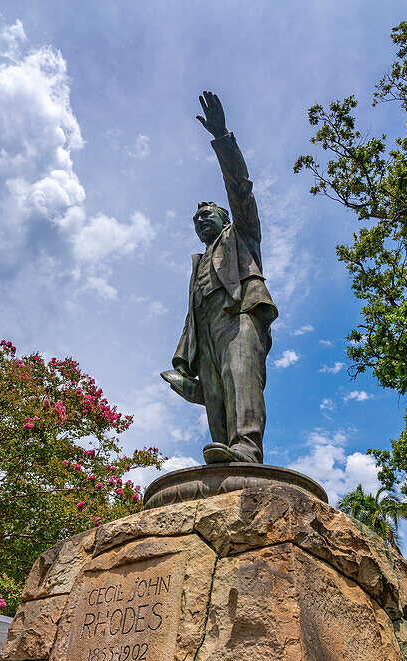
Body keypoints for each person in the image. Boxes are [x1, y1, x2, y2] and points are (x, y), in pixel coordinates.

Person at [162, 91, 278, 464]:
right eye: (196, 219)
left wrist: (223, 138)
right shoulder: (197, 262)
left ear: (226, 218)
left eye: (208, 214)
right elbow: (192, 311)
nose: (201, 220)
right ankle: (224, 452)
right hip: (207, 329)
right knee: (214, 393)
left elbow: (240, 187)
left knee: (239, 378)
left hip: (239, 314)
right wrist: (182, 361)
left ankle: (247, 446)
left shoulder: (241, 235)